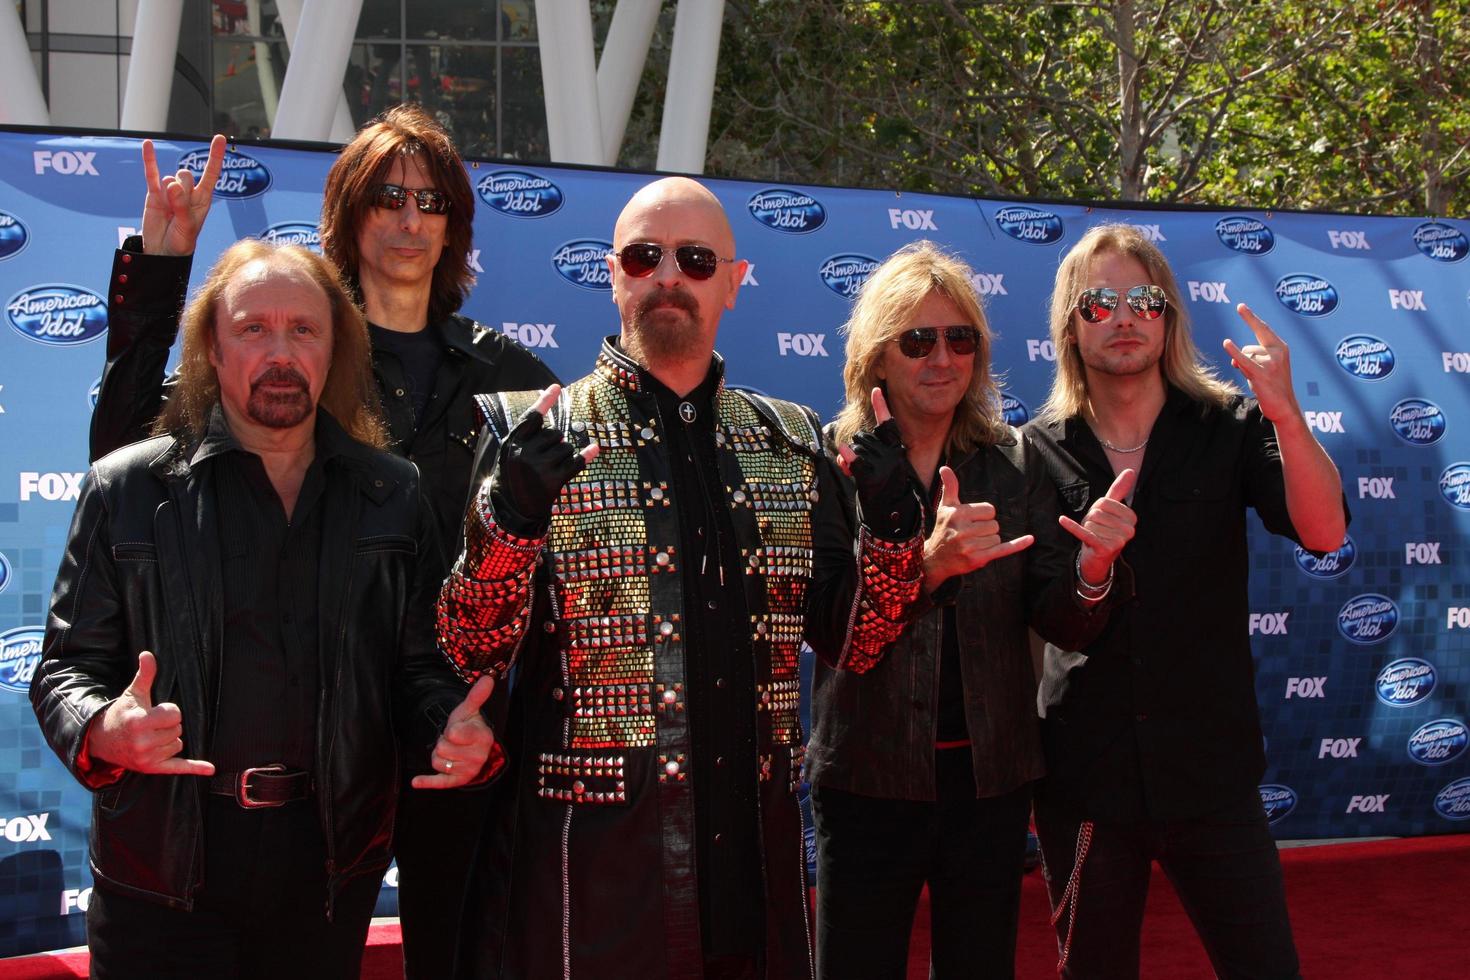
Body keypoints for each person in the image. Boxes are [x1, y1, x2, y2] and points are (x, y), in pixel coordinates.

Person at [88, 104, 558, 978]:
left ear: (455, 223)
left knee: (464, 951)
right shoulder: (292, 351)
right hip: (310, 735)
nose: (410, 219)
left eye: (431, 201)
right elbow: (126, 457)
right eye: (387, 196)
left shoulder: (511, 377)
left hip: (447, 722)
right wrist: (158, 272)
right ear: (349, 212)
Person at [434, 176, 925, 979]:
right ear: (613, 273)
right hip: (596, 876)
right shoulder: (534, 432)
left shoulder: (792, 444)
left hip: (751, 866)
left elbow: (859, 643)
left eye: (695, 259)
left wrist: (896, 532)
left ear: (733, 282)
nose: (669, 275)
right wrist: (511, 522)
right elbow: (470, 650)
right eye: (645, 255)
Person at [30, 241, 498, 979]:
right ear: (212, 350)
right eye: (253, 329)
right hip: (161, 875)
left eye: (303, 330)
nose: (280, 352)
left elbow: (418, 668)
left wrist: (451, 725)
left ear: (335, 347)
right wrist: (102, 728)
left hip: (326, 876)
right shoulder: (128, 491)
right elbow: (66, 668)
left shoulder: (394, 493)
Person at [1024, 224, 1348, 979]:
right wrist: (1094, 569)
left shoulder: (1230, 425)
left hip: (1212, 775)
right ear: (1070, 326)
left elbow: (1326, 532)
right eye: (1099, 303)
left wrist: (1287, 415)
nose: (1125, 317)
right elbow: (1048, 615)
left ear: (1168, 316)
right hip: (1086, 783)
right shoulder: (1033, 450)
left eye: (1144, 299)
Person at [803, 242, 1135, 980]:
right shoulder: (831, 465)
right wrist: (924, 571)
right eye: (917, 340)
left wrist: (1091, 574)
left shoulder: (1019, 462)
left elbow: (1063, 620)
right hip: (866, 779)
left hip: (990, 784)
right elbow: (831, 631)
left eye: (961, 339)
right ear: (875, 356)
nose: (942, 358)